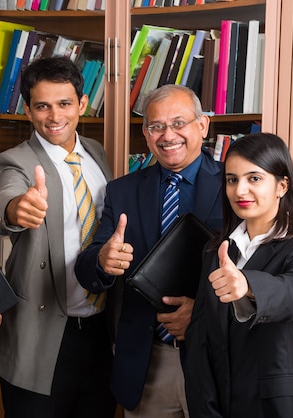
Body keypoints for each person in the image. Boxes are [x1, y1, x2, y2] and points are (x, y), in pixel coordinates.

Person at [75, 84, 223, 417]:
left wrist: (201, 314)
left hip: (217, 358)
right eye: (156, 126)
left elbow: (258, 271)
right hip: (149, 362)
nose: (168, 135)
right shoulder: (122, 191)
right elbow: (86, 271)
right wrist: (102, 260)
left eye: (179, 123)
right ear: (145, 133)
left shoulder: (236, 185)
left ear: (202, 126)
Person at [0, 56, 116, 418]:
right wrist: (17, 208)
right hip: (40, 337)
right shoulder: (14, 161)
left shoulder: (96, 153)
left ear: (83, 105)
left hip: (99, 331)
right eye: (42, 106)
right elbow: (6, 197)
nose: (55, 116)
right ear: (28, 110)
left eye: (64, 104)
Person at [184, 132, 293, 417]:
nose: (240, 191)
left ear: (281, 185)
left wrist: (247, 285)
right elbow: (199, 340)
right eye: (232, 179)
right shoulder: (216, 251)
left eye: (254, 178)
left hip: (274, 409)